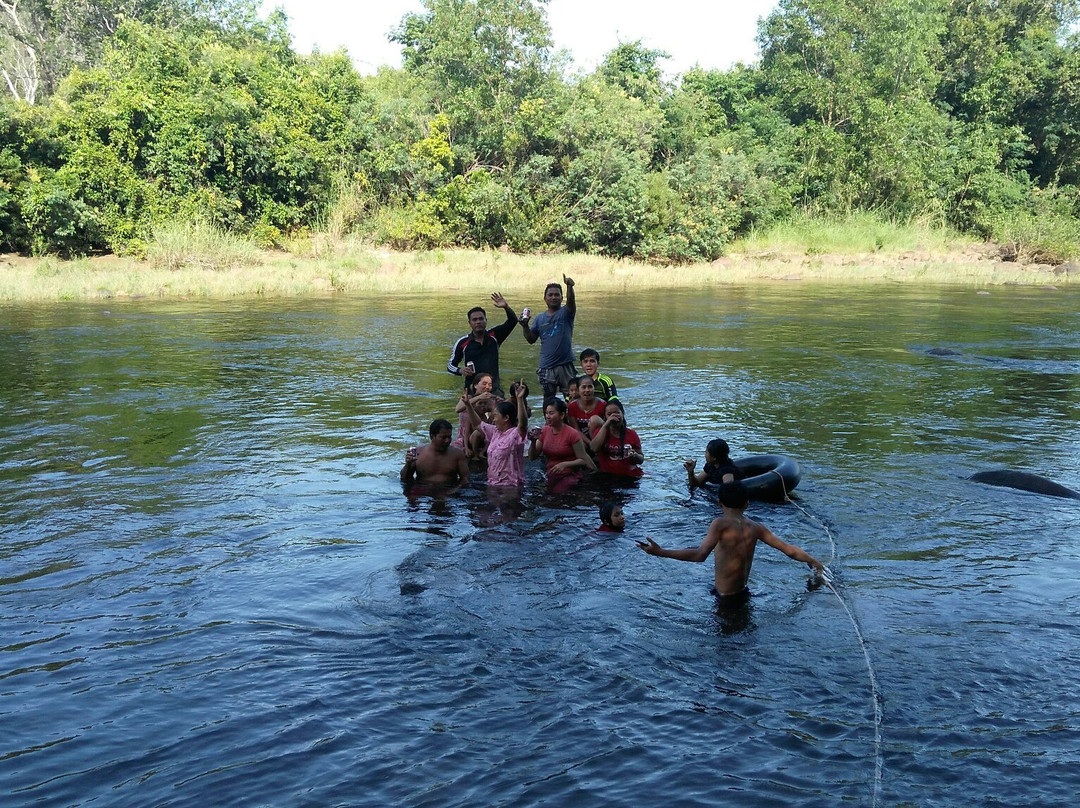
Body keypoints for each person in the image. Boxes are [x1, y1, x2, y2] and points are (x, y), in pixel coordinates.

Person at [636, 482, 824, 607]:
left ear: (719, 503)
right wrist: (814, 561)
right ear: (747, 504)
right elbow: (788, 549)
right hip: (744, 594)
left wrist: (661, 552)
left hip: (724, 598)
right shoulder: (756, 527)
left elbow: (700, 555)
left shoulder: (720, 524)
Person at [447, 292, 519, 395]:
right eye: (474, 320)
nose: (478, 322)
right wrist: (460, 370)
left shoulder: (495, 336)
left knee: (501, 410)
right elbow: (450, 365)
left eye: (481, 319)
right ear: (470, 323)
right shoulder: (463, 343)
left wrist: (506, 307)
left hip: (494, 390)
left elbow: (512, 321)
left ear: (486, 320)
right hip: (472, 391)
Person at [460, 382, 529, 488]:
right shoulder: (495, 432)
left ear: (506, 418)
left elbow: (523, 424)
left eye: (496, 416)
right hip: (492, 483)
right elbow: (478, 424)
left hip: (511, 486)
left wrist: (519, 399)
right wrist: (468, 405)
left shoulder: (515, 434)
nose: (494, 419)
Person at [520, 275, 578, 399]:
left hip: (565, 364)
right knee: (549, 400)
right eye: (550, 295)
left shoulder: (566, 313)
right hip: (546, 366)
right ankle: (549, 419)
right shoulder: (539, 318)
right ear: (545, 298)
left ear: (562, 298)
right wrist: (525, 326)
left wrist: (569, 287)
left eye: (557, 295)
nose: (553, 297)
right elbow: (531, 339)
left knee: (572, 399)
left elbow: (571, 302)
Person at [528, 397, 595, 482]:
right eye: (546, 413)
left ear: (562, 415)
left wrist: (565, 464)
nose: (548, 416)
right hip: (550, 474)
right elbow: (532, 457)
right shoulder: (544, 431)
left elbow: (583, 460)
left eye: (551, 413)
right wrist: (533, 442)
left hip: (569, 475)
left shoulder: (572, 434)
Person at [401, 418, 470, 490]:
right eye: (443, 437)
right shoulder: (418, 453)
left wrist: (454, 491)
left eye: (449, 437)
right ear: (432, 437)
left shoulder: (457, 454)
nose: (447, 441)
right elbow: (404, 479)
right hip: (424, 492)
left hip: (449, 492)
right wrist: (408, 464)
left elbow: (465, 479)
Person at [589, 400, 644, 478]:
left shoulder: (631, 434)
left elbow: (641, 460)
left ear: (622, 413)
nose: (613, 416)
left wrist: (635, 456)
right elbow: (594, 448)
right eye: (609, 414)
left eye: (617, 413)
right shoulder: (601, 432)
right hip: (608, 476)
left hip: (630, 476)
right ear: (605, 417)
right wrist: (606, 425)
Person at [453, 372, 498, 457]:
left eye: (490, 384)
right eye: (484, 384)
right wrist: (479, 397)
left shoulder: (491, 401)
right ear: (475, 385)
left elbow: (494, 419)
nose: (487, 387)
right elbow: (458, 409)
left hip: (484, 436)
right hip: (466, 435)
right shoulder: (468, 398)